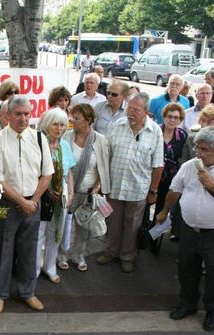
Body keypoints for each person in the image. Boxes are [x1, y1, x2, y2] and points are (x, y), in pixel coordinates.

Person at [156, 127, 214, 331]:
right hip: (189, 229)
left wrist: (210, 183)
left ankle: (213, 310)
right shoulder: (189, 166)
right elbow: (174, 189)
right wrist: (164, 211)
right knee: (186, 268)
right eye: (198, 148)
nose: (199, 153)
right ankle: (188, 303)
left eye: (204, 150)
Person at [0, 95, 54, 314]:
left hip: (33, 202)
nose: (23, 118)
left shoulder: (40, 139)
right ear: (7, 115)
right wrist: (22, 202)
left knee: (28, 250)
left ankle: (27, 292)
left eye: (27, 113)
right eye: (18, 114)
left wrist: (32, 202)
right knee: (3, 251)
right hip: (6, 203)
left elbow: (47, 174)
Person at [96, 93, 164, 273]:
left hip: (138, 188)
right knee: (113, 221)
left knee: (132, 225)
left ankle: (127, 256)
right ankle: (111, 251)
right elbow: (105, 156)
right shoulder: (117, 125)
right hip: (115, 185)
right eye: (129, 108)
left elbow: (158, 165)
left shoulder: (155, 131)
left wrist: (153, 191)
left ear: (146, 112)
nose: (130, 113)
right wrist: (102, 181)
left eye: (136, 110)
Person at [58, 104, 110, 271]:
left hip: (88, 191)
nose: (72, 120)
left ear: (88, 121)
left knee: (83, 227)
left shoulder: (100, 140)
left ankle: (79, 255)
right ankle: (61, 255)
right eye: (72, 117)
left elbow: (103, 166)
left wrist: (97, 187)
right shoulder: (66, 137)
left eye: (77, 118)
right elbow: (61, 163)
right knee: (63, 225)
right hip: (68, 189)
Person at [36, 108, 75, 282]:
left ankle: (49, 267)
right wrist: (48, 191)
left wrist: (71, 193)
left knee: (55, 233)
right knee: (39, 234)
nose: (59, 128)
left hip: (62, 196)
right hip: (42, 196)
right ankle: (35, 268)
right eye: (55, 124)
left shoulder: (65, 145)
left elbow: (69, 173)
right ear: (47, 124)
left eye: (62, 125)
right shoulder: (39, 143)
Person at [155, 103, 188, 217]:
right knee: (144, 207)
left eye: (176, 117)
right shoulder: (155, 131)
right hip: (152, 174)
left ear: (180, 120)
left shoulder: (183, 136)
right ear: (164, 117)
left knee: (162, 208)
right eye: (169, 116)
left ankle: (155, 234)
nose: (172, 120)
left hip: (170, 178)